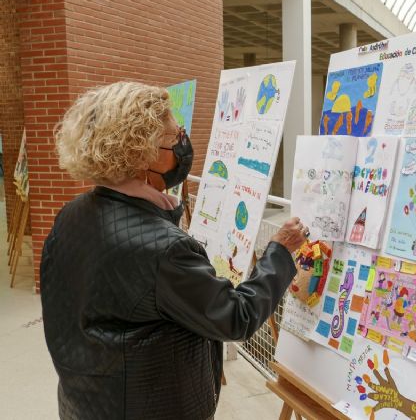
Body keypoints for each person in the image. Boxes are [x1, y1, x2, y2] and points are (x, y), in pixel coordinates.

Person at [40, 81, 309, 420]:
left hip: (88, 403)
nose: (184, 145)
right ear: (141, 154)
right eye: (173, 138)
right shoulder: (163, 249)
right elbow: (235, 317)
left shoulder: (73, 213)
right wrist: (280, 252)